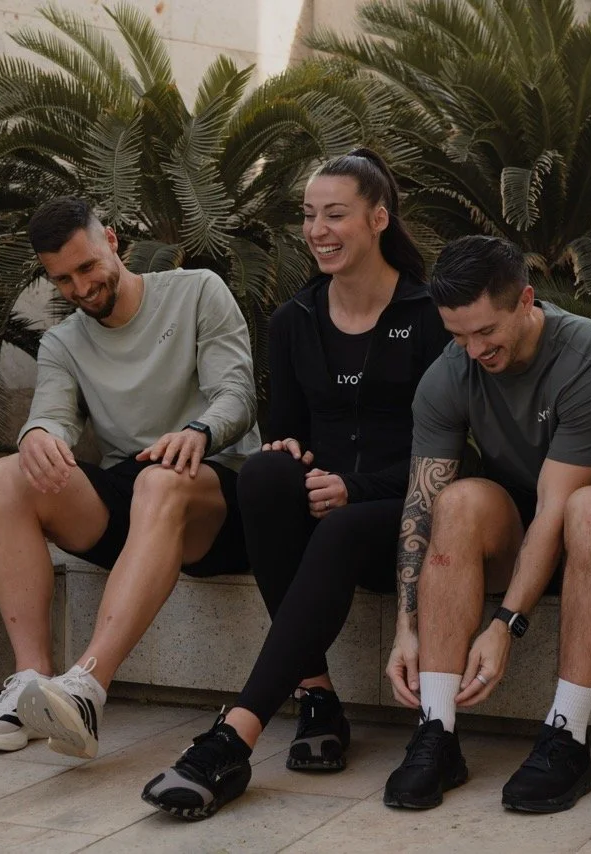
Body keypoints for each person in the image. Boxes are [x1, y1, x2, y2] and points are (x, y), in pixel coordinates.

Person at [139, 149, 449, 821]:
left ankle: (234, 736)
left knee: (337, 519)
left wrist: (356, 487)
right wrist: (293, 456)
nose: (318, 230)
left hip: (408, 505)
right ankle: (316, 693)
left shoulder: (428, 315)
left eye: (335, 214)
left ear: (376, 219)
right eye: (309, 216)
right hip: (326, 505)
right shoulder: (293, 321)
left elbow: (449, 451)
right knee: (265, 475)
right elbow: (289, 433)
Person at [0, 197, 260, 760]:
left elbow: (236, 396)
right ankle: (29, 685)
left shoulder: (197, 290)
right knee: (5, 477)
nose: (79, 287)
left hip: (217, 487)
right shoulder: (63, 342)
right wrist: (37, 436)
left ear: (113, 242)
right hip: (137, 490)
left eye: (87, 267)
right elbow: (49, 411)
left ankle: (89, 688)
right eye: (63, 279)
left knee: (159, 480)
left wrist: (197, 431)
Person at [380, 235, 591, 814]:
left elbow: (557, 508)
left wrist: (505, 625)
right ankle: (437, 730)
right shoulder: (451, 371)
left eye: (485, 332)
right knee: (454, 503)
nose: (473, 350)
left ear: (526, 300)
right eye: (457, 335)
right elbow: (420, 501)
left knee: (588, 510)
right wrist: (407, 626)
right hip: (523, 532)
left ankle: (566, 736)